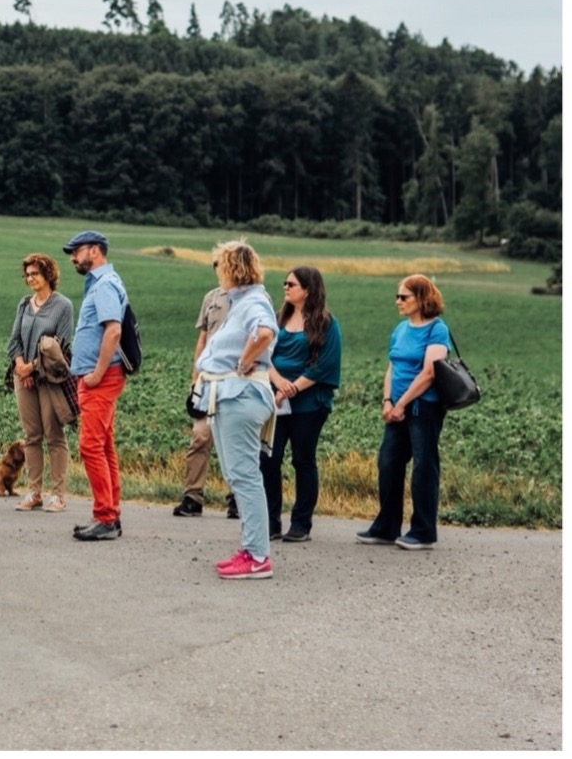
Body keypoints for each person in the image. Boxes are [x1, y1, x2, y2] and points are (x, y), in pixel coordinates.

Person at [193, 240, 278, 579]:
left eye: (220, 265)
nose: (217, 272)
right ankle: (251, 547)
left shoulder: (255, 300)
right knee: (237, 476)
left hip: (239, 395)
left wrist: (244, 361)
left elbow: (265, 332)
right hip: (227, 396)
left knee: (244, 476)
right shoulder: (240, 301)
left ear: (232, 268)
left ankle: (258, 557)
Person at [357, 274, 451, 551]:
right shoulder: (400, 329)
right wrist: (388, 400)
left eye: (404, 297)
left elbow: (430, 372)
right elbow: (392, 367)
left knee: (424, 466)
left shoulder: (437, 330)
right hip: (396, 407)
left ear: (422, 298)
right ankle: (386, 527)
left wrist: (402, 404)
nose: (398, 301)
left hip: (424, 408)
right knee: (388, 463)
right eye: (397, 296)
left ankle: (423, 531)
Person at [264, 266, 342, 542]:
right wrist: (278, 382)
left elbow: (324, 365)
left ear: (308, 290)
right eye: (284, 283)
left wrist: (293, 387)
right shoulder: (277, 319)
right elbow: (264, 354)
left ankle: (301, 523)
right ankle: (270, 521)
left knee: (303, 459)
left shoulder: (326, 324)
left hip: (309, 403)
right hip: (276, 399)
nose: (285, 287)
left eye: (292, 284)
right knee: (268, 459)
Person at [64, 230, 129, 542]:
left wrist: (97, 373)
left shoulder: (104, 285)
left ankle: (105, 517)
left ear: (94, 250)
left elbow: (113, 331)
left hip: (99, 378)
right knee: (103, 446)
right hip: (98, 375)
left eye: (76, 252)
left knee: (90, 446)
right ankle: (110, 513)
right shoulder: (102, 283)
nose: (73, 259)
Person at [7, 253, 75, 513]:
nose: (30, 278)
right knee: (31, 435)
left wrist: (32, 368)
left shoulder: (63, 306)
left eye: (35, 273)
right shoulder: (24, 304)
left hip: (48, 378)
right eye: (27, 274)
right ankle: (34, 492)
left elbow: (61, 346)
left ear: (48, 274)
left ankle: (58, 495)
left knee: (54, 435)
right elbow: (13, 340)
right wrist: (20, 365)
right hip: (23, 378)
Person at [173, 281, 229, 517]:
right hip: (209, 379)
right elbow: (202, 339)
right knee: (200, 436)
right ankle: (193, 496)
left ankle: (236, 498)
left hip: (235, 379)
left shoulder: (254, 298)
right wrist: (195, 378)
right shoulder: (211, 298)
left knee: (233, 441)